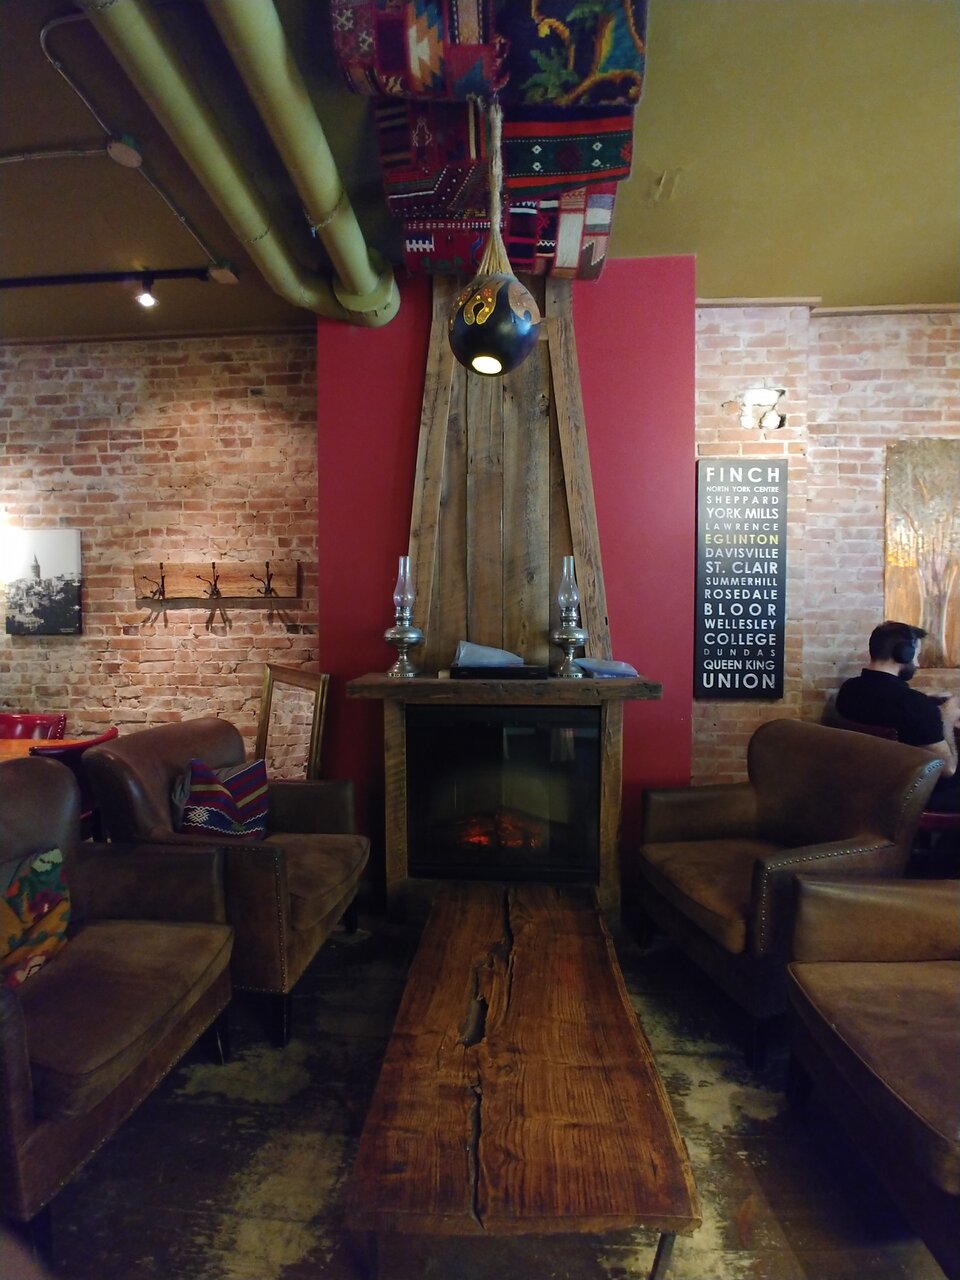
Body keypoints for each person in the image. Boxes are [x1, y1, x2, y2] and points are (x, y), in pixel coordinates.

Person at [835, 620, 960, 812]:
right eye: (916, 656)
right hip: (913, 795)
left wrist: (925, 702)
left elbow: (885, 704)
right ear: (904, 654)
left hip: (868, 787)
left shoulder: (848, 690)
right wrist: (947, 720)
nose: (917, 663)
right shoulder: (915, 705)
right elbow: (947, 770)